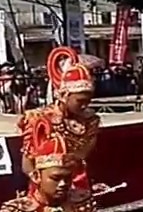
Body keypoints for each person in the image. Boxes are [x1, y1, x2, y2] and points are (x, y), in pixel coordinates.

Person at [19, 46, 99, 191]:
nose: (85, 106)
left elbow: (81, 161)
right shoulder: (38, 119)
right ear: (63, 96)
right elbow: (28, 163)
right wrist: (47, 186)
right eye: (80, 101)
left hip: (79, 187)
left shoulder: (90, 121)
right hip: (47, 189)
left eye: (88, 101)